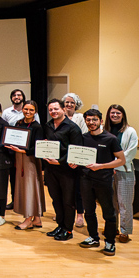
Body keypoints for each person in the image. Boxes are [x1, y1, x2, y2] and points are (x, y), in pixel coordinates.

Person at [72, 109, 126, 256]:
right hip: (85, 179)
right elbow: (78, 156)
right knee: (88, 211)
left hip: (104, 180)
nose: (91, 123)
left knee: (108, 213)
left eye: (94, 120)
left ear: (101, 121)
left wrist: (100, 166)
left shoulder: (110, 138)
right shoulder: (83, 137)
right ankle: (93, 237)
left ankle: (109, 242)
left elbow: (121, 160)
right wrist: (74, 163)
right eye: (88, 120)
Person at [42, 98, 84, 241]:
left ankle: (68, 230)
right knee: (56, 199)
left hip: (67, 171)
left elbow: (76, 150)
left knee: (68, 201)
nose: (53, 112)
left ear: (63, 109)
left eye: (56, 109)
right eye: (50, 110)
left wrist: (59, 162)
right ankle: (60, 225)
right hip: (50, 170)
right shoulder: (47, 126)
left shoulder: (73, 128)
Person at [8, 100, 46, 230]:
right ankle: (37, 219)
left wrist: (23, 150)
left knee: (31, 187)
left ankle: (28, 219)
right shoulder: (19, 123)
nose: (28, 112)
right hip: (19, 157)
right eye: (26, 109)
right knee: (27, 186)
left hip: (30, 159)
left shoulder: (37, 127)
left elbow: (38, 147)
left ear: (35, 112)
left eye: (31, 110)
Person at [107, 104, 139, 243]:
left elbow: (130, 153)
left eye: (118, 113)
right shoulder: (105, 130)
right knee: (111, 202)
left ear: (123, 115)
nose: (115, 115)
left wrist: (114, 164)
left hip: (124, 171)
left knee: (124, 203)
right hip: (108, 172)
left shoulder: (130, 131)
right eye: (112, 113)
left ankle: (125, 231)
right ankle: (112, 227)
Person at [63, 92, 89, 229]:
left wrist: (76, 158)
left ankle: (80, 215)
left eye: (72, 102)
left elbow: (83, 137)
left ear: (76, 104)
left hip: (77, 157)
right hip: (62, 158)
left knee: (78, 188)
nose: (69, 104)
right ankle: (65, 213)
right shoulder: (59, 116)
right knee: (65, 187)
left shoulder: (80, 117)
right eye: (67, 102)